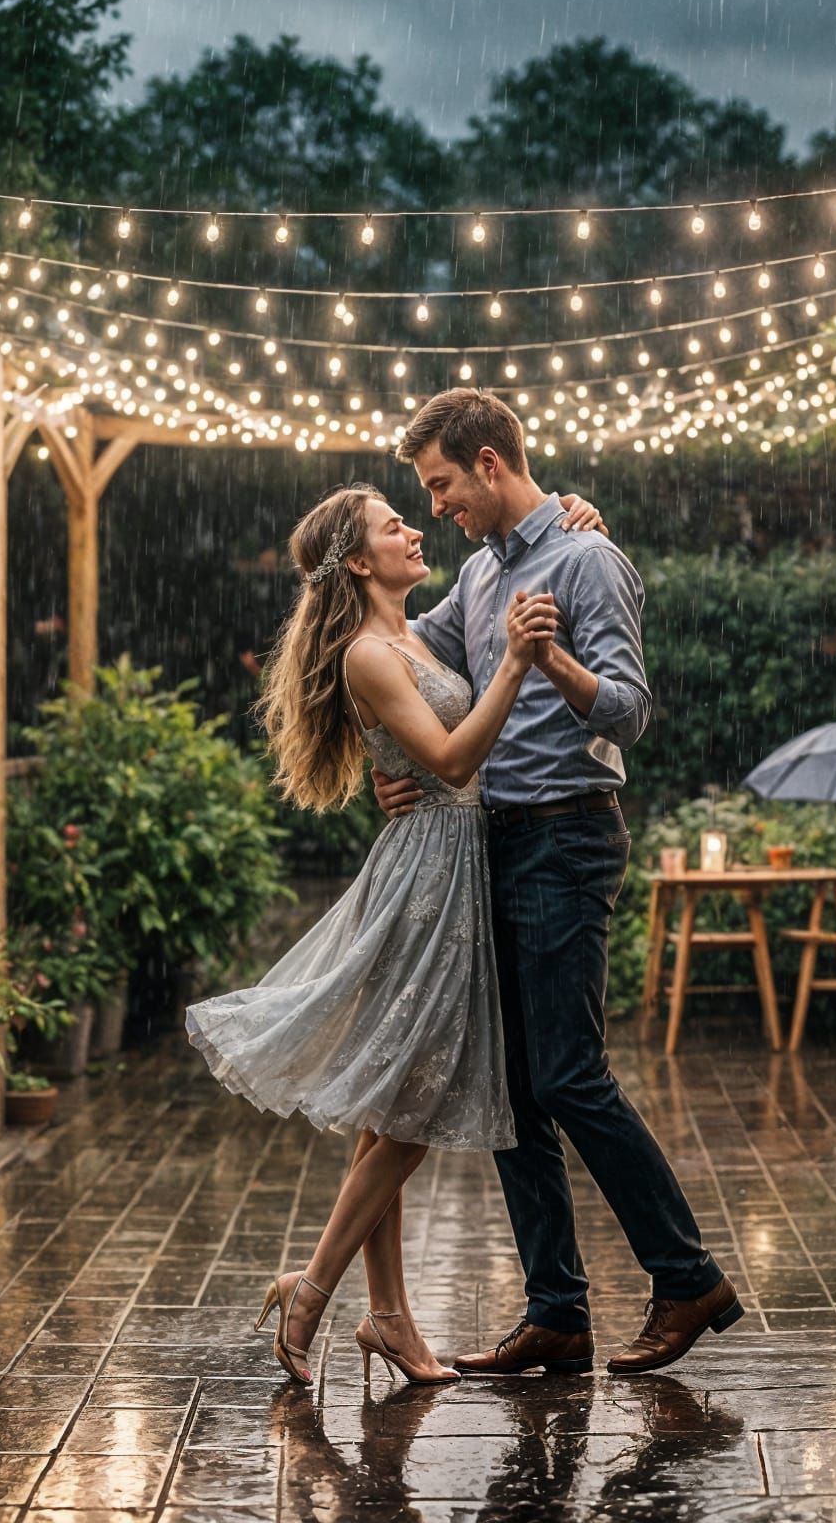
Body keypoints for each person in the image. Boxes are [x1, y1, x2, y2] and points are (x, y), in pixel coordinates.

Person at [185, 479, 601, 1388]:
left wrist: (571, 511)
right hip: (426, 881)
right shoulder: (371, 653)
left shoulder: (414, 631)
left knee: (391, 1111)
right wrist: (515, 666)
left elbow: (510, 562)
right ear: (362, 562)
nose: (415, 529)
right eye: (393, 525)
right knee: (409, 1114)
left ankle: (389, 1319)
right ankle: (313, 1295)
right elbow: (451, 759)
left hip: (454, 864)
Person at [379, 388, 742, 1377]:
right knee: (510, 1087)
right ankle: (557, 1313)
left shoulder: (588, 560)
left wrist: (554, 662)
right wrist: (391, 747)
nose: (440, 506)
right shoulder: (485, 572)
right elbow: (418, 660)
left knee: (569, 1075)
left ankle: (688, 1277)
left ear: (491, 463)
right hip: (492, 840)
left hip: (566, 835)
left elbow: (626, 711)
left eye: (445, 485)